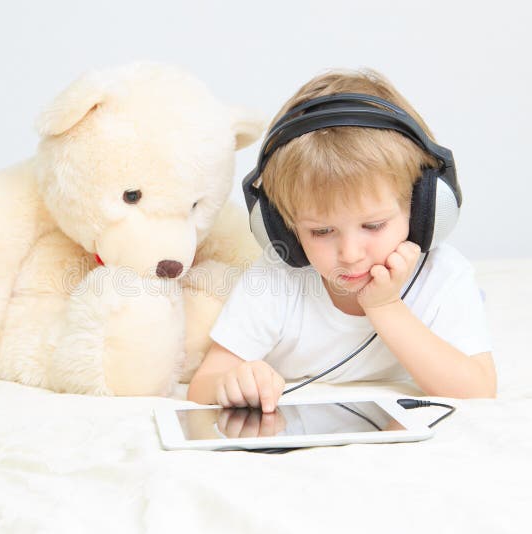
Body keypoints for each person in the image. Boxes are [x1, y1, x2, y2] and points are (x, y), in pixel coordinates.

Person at [187, 69, 497, 414]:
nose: (350, 254)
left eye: (374, 225)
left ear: (424, 207)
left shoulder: (444, 275)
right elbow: (203, 385)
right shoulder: (277, 278)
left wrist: (384, 306)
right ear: (280, 227)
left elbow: (477, 390)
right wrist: (233, 383)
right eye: (321, 232)